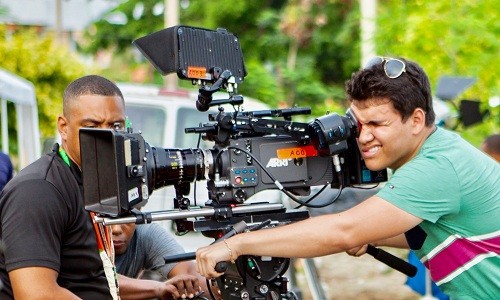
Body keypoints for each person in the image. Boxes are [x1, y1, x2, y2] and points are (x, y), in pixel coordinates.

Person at [195, 57, 500, 299]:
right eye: (358, 123)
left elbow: (345, 230)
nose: (363, 137)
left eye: (377, 123)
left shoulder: (437, 167)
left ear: (416, 120)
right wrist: (372, 232)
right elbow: (429, 231)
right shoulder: (438, 148)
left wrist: (237, 245)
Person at [0, 75, 203, 299]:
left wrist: (159, 288)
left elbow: (95, 277)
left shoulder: (98, 182)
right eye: (92, 126)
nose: (106, 136)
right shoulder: (38, 190)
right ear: (63, 127)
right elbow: (36, 295)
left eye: (115, 126)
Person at [112, 222, 211, 299]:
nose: (116, 229)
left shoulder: (145, 232)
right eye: (107, 218)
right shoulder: (95, 239)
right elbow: (102, 281)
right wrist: (158, 288)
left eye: (125, 217)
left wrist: (219, 287)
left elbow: (188, 273)